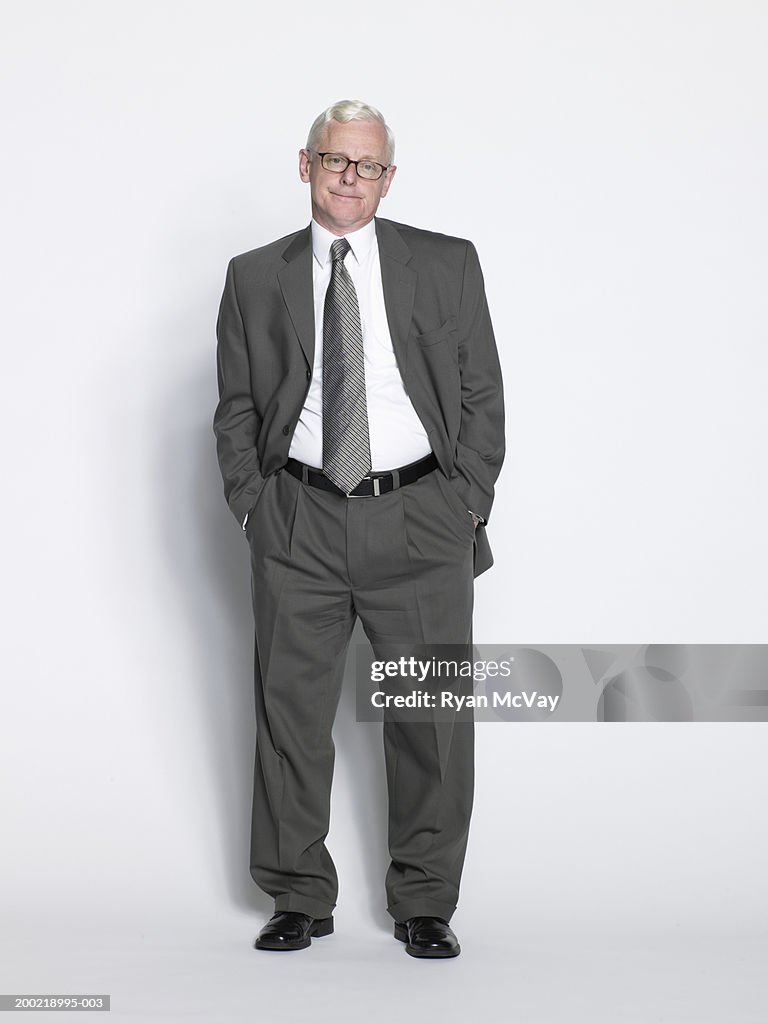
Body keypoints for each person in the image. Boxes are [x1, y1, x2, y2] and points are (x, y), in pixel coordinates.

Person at [213, 99, 504, 958]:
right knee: (289, 715)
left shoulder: (446, 263)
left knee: (430, 718)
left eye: (368, 165)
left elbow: (483, 390)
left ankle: (425, 901)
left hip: (421, 519)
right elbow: (235, 407)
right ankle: (298, 894)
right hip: (297, 516)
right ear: (306, 166)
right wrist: (250, 505)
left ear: (388, 176)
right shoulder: (252, 273)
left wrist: (466, 503)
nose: (351, 177)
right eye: (336, 161)